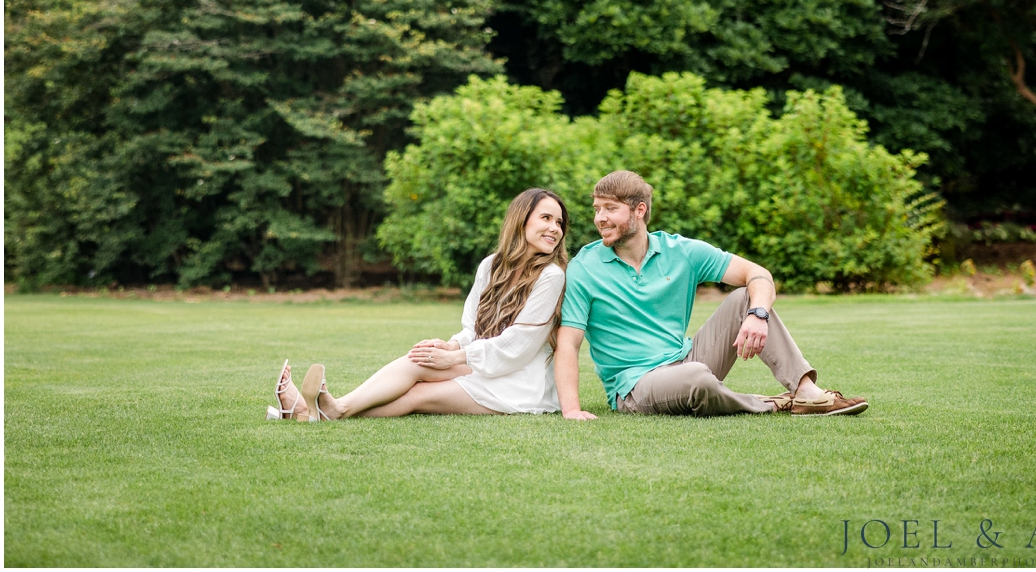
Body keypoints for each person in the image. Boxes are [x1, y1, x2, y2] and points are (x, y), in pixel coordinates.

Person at [555, 170, 868, 419]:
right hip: (635, 385)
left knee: (745, 298)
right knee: (698, 378)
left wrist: (758, 314)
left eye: (610, 209)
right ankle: (770, 404)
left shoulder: (680, 251)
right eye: (597, 209)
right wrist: (571, 410)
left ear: (639, 210)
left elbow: (758, 275)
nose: (600, 218)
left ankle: (805, 392)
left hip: (687, 358)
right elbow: (568, 342)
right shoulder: (585, 267)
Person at [268, 188, 568, 421]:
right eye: (546, 218)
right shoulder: (491, 266)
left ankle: (321, 410)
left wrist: (456, 358)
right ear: (521, 220)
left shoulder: (551, 276)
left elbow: (518, 346)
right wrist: (450, 346)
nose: (555, 228)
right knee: (419, 359)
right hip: (484, 363)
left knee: (419, 395)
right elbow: (472, 327)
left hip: (519, 382)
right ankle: (328, 409)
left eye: (559, 222)